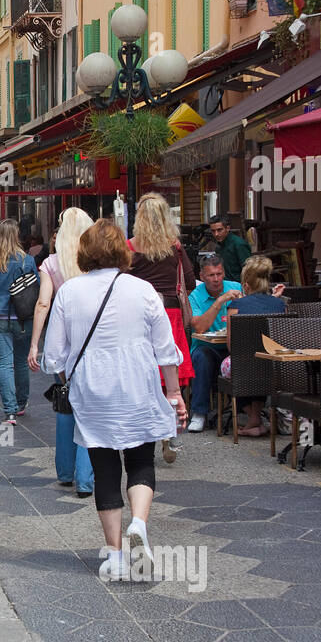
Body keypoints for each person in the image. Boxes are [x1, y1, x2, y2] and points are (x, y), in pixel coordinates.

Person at [43, 220, 187, 581]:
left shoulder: (70, 292)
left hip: (93, 391)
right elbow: (166, 350)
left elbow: (54, 357)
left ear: (84, 252)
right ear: (123, 251)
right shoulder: (143, 290)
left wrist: (70, 377)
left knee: (104, 467)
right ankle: (138, 522)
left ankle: (116, 555)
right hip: (137, 386)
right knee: (140, 459)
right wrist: (174, 393)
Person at [27, 207, 96, 493]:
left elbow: (43, 303)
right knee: (89, 412)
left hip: (62, 342)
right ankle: (85, 477)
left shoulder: (51, 264)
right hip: (92, 341)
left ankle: (66, 471)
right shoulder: (95, 262)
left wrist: (35, 344)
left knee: (65, 405)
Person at [128, 194, 194, 462]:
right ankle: (172, 435)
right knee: (172, 376)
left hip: (141, 316)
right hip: (171, 314)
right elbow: (189, 280)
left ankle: (145, 431)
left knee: (144, 375)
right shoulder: (174, 247)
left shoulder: (130, 247)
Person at [0, 218, 38, 424]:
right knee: (21, 361)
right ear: (16, 236)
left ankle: (10, 410)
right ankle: (21, 402)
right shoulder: (27, 260)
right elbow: (36, 287)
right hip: (22, 317)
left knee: (5, 363)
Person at [226, 255, 288, 436]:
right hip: (273, 366)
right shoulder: (280, 305)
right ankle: (256, 419)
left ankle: (253, 418)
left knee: (231, 365)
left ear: (246, 284)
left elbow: (232, 345)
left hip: (243, 366)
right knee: (258, 368)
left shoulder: (236, 305)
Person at [183, 255, 242, 432]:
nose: (216, 279)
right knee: (202, 356)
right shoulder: (195, 296)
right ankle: (199, 412)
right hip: (208, 348)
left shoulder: (236, 288)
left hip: (234, 346)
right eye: (211, 275)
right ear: (202, 276)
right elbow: (199, 327)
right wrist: (220, 301)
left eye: (219, 274)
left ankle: (255, 412)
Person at [208, 213, 251, 282]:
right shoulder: (219, 245)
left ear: (227, 228)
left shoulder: (239, 244)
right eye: (213, 231)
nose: (216, 234)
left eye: (219, 230)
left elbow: (249, 271)